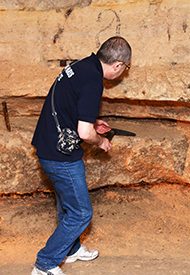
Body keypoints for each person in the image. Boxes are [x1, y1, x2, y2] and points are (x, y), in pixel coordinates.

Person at [31, 36, 132, 275]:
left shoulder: (81, 66)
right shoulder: (93, 81)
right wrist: (101, 142)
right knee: (81, 212)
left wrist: (92, 120)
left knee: (67, 205)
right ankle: (45, 264)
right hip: (60, 157)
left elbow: (67, 104)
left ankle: (72, 249)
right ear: (117, 65)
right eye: (125, 68)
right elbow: (84, 133)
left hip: (47, 145)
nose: (123, 72)